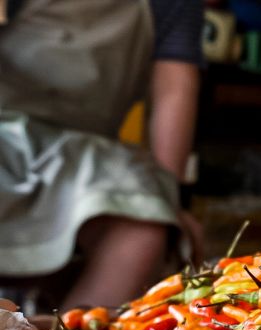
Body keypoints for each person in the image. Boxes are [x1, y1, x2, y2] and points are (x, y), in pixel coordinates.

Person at [0, 0, 204, 310]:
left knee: (145, 218)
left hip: (89, 158)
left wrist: (169, 194)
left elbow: (174, 89)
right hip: (6, 132)